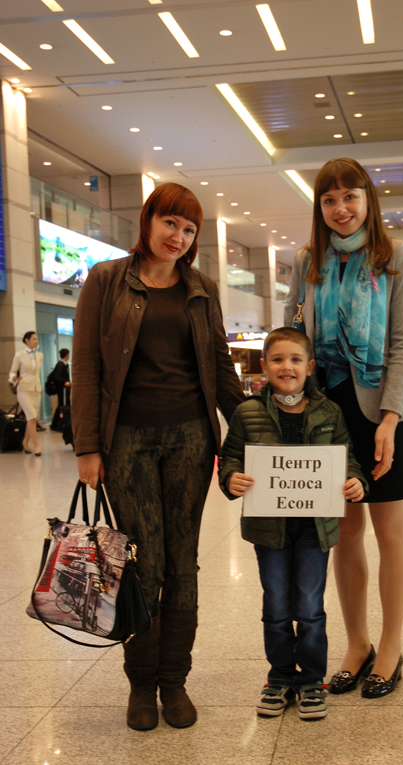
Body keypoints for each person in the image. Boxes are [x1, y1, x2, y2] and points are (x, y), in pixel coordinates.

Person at [72, 183, 244, 731]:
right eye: (170, 223)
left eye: (189, 229)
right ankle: (141, 684)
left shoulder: (201, 288)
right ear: (147, 221)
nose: (179, 236)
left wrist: (253, 428)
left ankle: (175, 681)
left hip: (191, 438)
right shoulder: (106, 280)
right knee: (142, 564)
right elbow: (86, 366)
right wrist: (87, 447)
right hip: (127, 441)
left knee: (182, 562)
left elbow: (219, 363)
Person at [285, 157, 403, 698]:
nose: (340, 209)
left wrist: (390, 417)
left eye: (350, 197)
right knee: (344, 533)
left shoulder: (395, 256)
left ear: (368, 199)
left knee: (390, 532)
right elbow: (293, 335)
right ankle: (357, 643)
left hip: (382, 410)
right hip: (326, 412)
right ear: (319, 206)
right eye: (329, 199)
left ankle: (390, 646)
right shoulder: (307, 261)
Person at [219, 327, 367, 720]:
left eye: (296, 359)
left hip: (314, 529)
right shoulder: (247, 412)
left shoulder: (329, 412)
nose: (287, 366)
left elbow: (347, 458)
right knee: (276, 606)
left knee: (310, 607)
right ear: (264, 365)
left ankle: (312, 680)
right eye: (278, 359)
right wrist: (230, 478)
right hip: (269, 529)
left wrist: (355, 481)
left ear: (310, 366)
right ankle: (280, 676)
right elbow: (231, 456)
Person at [8, 331, 43, 456]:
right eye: (34, 339)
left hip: (36, 390)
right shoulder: (19, 355)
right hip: (24, 389)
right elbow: (12, 371)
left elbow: (37, 374)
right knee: (32, 416)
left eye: (37, 339)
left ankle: (25, 442)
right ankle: (37, 446)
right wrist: (14, 377)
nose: (36, 341)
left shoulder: (39, 355)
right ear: (27, 340)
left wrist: (39, 388)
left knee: (31, 419)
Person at [50, 348, 71, 431]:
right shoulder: (60, 365)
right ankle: (57, 424)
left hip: (65, 389)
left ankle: (58, 423)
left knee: (62, 405)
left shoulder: (65, 365)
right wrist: (64, 382)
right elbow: (57, 377)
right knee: (62, 406)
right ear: (67, 355)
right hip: (62, 389)